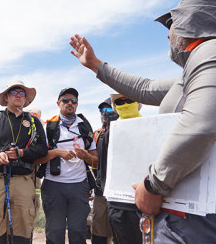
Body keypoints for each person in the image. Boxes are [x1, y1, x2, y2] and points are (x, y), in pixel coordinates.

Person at [70, 0, 216, 243]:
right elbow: (145, 88)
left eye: (171, 23)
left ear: (191, 21)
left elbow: (201, 126)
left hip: (214, 214)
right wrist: (96, 65)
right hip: (207, 212)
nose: (168, 34)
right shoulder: (209, 64)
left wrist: (154, 184)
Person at [0, 80, 48, 244]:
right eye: (14, 92)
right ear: (6, 97)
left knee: (23, 223)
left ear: (26, 99)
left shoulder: (34, 122)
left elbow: (43, 149)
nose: (18, 95)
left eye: (22, 93)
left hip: (24, 180)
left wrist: (23, 153)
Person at [35, 87, 97, 244]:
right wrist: (57, 152)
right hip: (53, 186)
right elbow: (36, 159)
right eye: (65, 100)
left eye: (74, 101)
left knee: (78, 232)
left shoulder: (84, 126)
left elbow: (96, 161)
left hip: (79, 187)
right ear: (58, 103)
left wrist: (87, 156)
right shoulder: (48, 127)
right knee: (55, 232)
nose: (70, 103)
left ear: (77, 104)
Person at [105, 94, 143, 244]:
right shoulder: (110, 134)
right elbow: (104, 168)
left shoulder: (152, 126)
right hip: (118, 203)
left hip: (146, 200)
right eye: (120, 102)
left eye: (129, 100)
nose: (125, 104)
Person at [91, 98, 118, 244]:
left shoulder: (127, 128)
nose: (105, 113)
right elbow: (92, 162)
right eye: (102, 110)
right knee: (99, 232)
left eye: (109, 109)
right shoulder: (96, 134)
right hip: (101, 191)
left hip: (122, 193)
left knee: (120, 232)